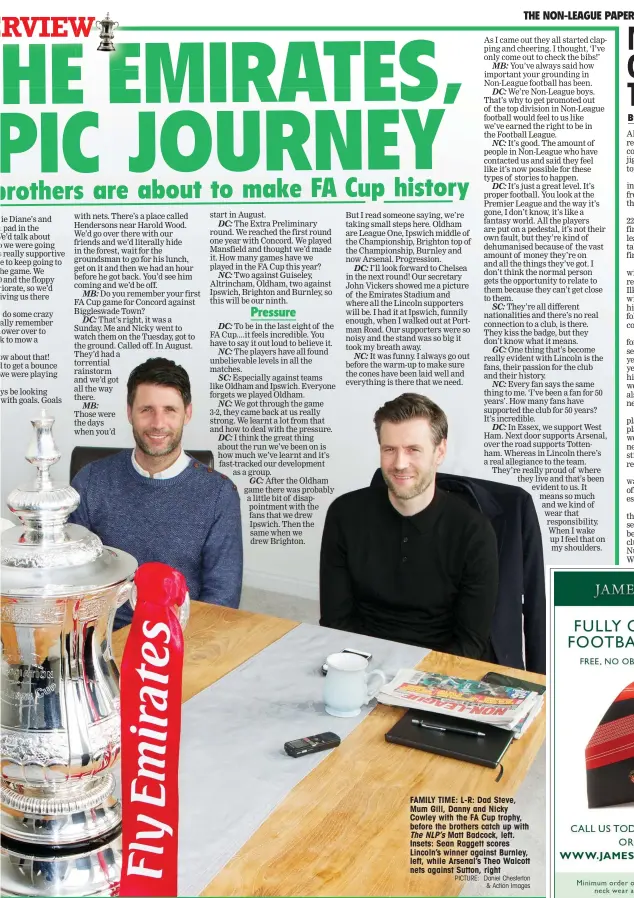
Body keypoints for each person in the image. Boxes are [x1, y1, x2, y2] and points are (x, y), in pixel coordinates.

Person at [319, 393, 498, 660]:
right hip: (361, 660)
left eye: (413, 449)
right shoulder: (343, 514)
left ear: (440, 452)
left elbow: (470, 643)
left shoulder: (474, 532)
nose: (400, 464)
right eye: (389, 449)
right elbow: (336, 622)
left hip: (437, 669)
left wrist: (412, 683)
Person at [69, 358, 243, 628]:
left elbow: (222, 598)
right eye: (146, 410)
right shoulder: (91, 480)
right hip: (103, 637)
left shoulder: (220, 494)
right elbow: (72, 578)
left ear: (187, 413)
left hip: (180, 638)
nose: (158, 423)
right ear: (129, 412)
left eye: (170, 410)